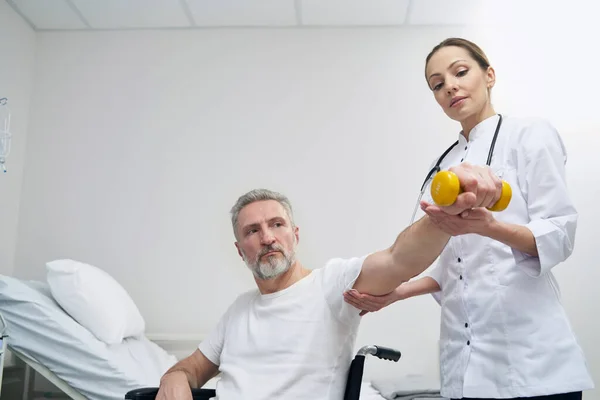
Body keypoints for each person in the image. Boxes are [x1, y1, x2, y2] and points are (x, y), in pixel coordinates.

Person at [343, 37, 594, 400]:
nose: (451, 87)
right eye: (437, 84)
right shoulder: (441, 167)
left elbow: (559, 233)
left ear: (489, 75)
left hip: (532, 361)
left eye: (460, 72)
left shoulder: (530, 135)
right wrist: (397, 293)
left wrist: (490, 227)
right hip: (464, 363)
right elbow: (450, 263)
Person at [155, 171, 503, 400]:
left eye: (276, 225)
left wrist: (442, 219)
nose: (267, 238)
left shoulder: (329, 286)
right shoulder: (239, 310)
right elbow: (194, 368)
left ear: (294, 234)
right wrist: (175, 376)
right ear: (239, 249)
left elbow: (399, 259)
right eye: (252, 231)